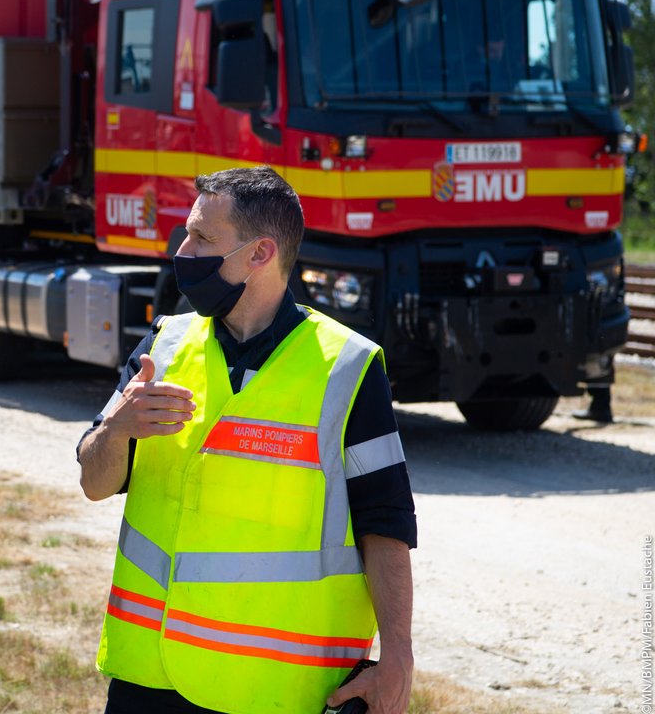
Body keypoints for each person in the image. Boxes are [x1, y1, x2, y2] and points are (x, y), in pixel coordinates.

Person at [77, 167, 416, 714]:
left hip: (279, 690)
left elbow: (387, 523)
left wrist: (398, 657)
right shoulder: (164, 345)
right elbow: (94, 483)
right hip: (149, 681)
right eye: (186, 234)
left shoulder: (348, 367)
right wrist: (117, 428)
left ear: (260, 253)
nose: (183, 251)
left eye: (202, 238)